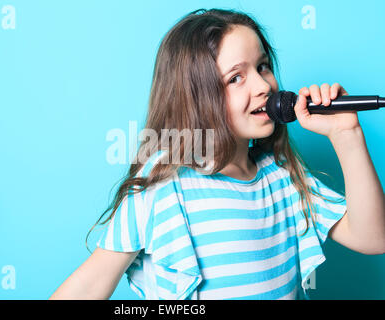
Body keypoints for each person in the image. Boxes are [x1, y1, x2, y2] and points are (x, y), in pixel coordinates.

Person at [50, 8, 385, 300]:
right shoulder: (165, 184)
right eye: (236, 77)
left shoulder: (282, 175)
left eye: (263, 66)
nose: (263, 85)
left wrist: (347, 135)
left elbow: (374, 238)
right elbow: (90, 286)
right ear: (196, 98)